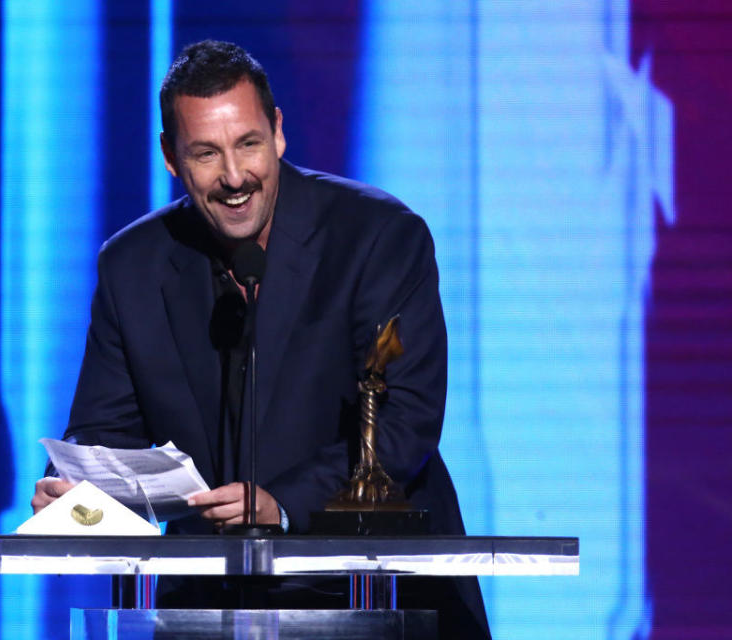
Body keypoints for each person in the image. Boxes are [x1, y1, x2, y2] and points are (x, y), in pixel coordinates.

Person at [31, 40, 491, 639]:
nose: (233, 177)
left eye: (248, 144)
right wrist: (78, 494)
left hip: (376, 588)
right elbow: (106, 429)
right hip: (209, 602)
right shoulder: (134, 266)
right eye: (205, 153)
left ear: (277, 133)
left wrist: (280, 503)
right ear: (171, 157)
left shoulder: (377, 239)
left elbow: (404, 422)